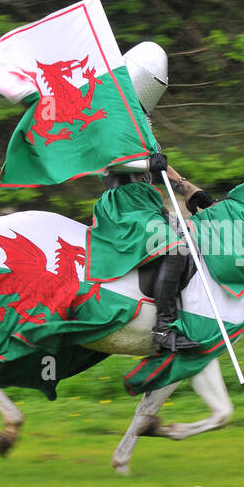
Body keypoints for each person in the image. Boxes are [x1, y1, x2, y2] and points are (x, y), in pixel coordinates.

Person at [88, 41, 214, 353]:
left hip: (145, 202)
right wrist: (147, 163)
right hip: (122, 205)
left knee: (194, 237)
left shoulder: (141, 120)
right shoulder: (111, 116)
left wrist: (188, 188)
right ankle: (163, 329)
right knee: (175, 248)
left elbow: (159, 163)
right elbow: (105, 158)